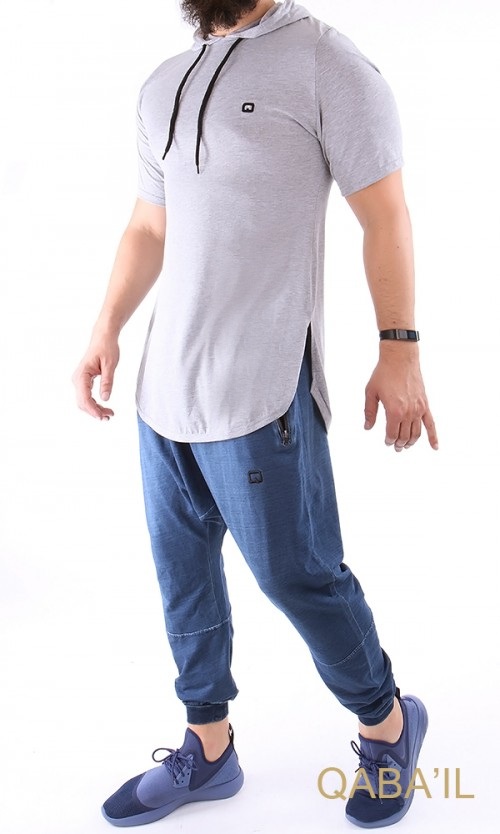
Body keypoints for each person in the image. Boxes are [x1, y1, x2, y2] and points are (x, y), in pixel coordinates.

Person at [72, 0, 438, 828]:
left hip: (263, 386)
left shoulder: (325, 62)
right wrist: (105, 328)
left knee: (297, 576)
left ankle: (388, 726)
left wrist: (400, 348)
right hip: (165, 393)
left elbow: (384, 212)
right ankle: (208, 749)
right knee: (184, 580)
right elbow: (149, 225)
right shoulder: (163, 82)